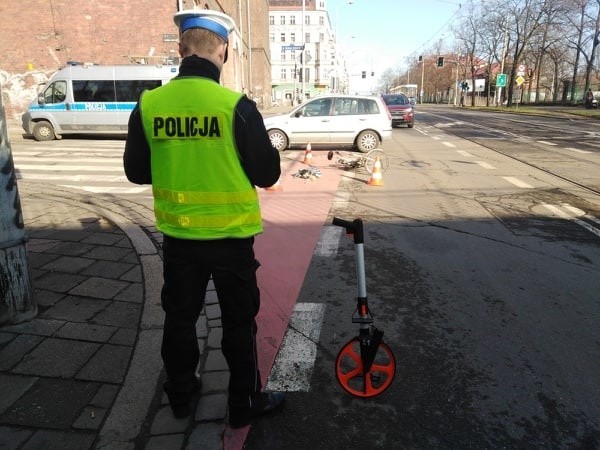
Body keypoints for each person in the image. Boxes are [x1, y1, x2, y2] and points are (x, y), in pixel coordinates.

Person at [123, 9, 284, 428]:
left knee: (179, 319)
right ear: (224, 51)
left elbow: (137, 172)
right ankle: (243, 403)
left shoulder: (150, 104)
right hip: (232, 240)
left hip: (179, 239)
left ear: (180, 50)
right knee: (237, 323)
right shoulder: (237, 107)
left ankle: (180, 395)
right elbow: (268, 175)